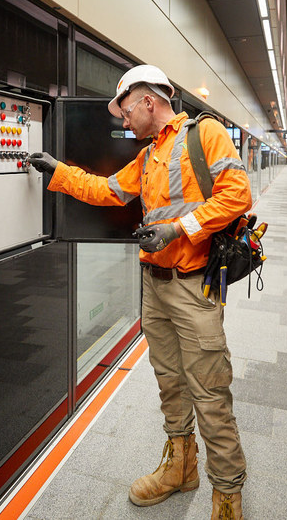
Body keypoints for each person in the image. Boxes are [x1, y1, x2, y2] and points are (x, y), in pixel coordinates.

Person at [27, 65, 250, 520]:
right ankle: (181, 466)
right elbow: (108, 191)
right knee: (171, 385)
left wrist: (175, 229)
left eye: (126, 112)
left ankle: (227, 494)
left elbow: (237, 195)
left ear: (149, 102)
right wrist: (59, 172)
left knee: (209, 391)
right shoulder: (148, 156)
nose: (123, 122)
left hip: (193, 289)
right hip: (154, 287)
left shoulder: (205, 135)